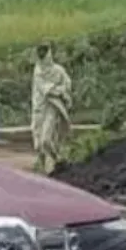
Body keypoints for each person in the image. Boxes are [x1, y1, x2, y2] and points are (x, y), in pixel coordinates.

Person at [30, 44, 73, 174]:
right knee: (38, 145)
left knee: (46, 140)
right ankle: (43, 170)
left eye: (44, 53)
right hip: (39, 108)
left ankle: (58, 158)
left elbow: (67, 84)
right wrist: (57, 90)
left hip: (52, 107)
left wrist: (61, 92)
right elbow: (45, 90)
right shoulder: (37, 71)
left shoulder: (58, 71)